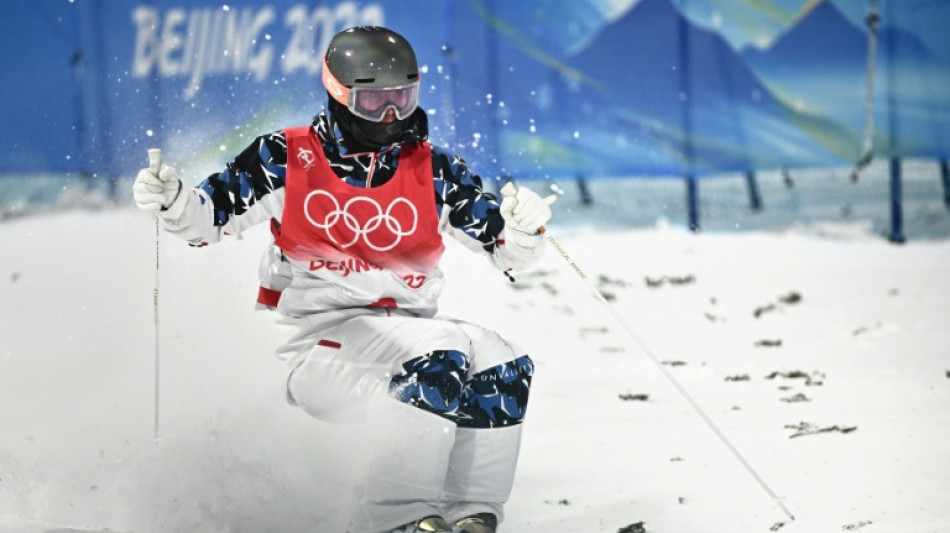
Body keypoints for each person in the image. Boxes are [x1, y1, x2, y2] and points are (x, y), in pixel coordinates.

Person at [133, 26, 554, 533]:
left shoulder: (435, 171)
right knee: (441, 349)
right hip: (315, 347)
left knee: (501, 360)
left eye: (403, 98)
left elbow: (506, 248)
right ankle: (393, 519)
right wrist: (174, 200)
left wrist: (525, 231)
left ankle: (469, 514)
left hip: (402, 339)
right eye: (375, 101)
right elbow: (205, 220)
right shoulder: (285, 158)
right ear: (339, 93)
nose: (392, 115)